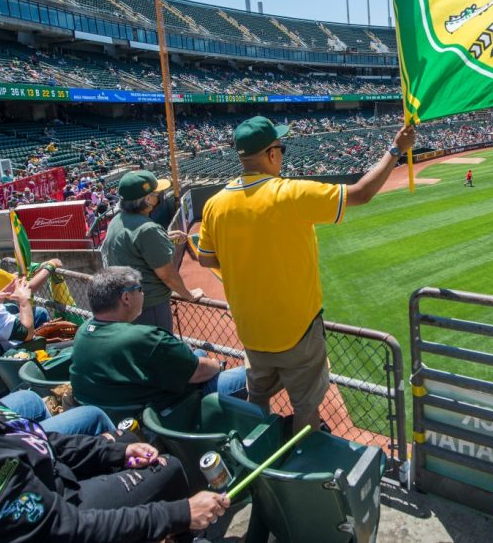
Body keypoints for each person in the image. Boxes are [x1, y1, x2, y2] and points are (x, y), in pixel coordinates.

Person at [0, 314, 229, 541]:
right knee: (167, 468)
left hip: (52, 489)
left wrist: (114, 451)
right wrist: (181, 514)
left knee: (130, 440)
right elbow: (66, 531)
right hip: (61, 511)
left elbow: (37, 439)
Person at [197, 116, 416, 434]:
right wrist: (396, 149)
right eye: (281, 147)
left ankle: (258, 451)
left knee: (257, 393)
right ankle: (303, 463)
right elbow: (361, 193)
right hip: (296, 327)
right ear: (272, 154)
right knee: (306, 407)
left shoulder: (215, 204)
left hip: (250, 327)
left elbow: (206, 260)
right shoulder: (289, 193)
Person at [70, 267, 247, 412]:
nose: (143, 294)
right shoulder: (145, 338)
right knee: (249, 375)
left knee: (198, 353)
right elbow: (199, 371)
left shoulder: (83, 331)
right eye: (139, 289)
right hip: (166, 413)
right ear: (126, 298)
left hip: (112, 410)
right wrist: (218, 364)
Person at [102, 171, 202, 332]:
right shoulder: (148, 230)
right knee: (156, 350)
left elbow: (133, 242)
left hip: (124, 303)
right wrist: (189, 295)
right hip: (150, 308)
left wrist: (164, 237)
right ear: (148, 199)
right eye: (156, 194)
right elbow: (167, 275)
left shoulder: (116, 220)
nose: (159, 197)